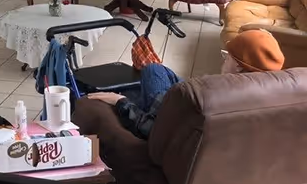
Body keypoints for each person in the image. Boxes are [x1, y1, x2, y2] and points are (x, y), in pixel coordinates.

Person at [86, 28, 285, 140]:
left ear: (240, 68)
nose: (223, 60)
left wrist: (121, 102)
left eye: (228, 57)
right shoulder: (280, 97)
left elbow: (153, 130)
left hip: (169, 121)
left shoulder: (210, 97)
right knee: (159, 73)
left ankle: (131, 99)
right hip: (189, 103)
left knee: (151, 71)